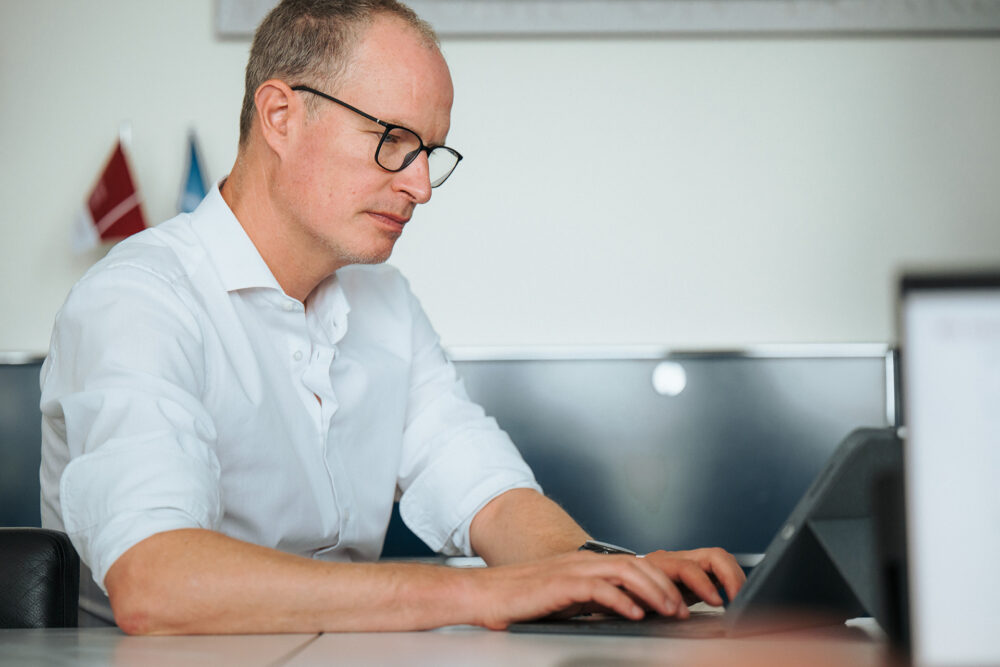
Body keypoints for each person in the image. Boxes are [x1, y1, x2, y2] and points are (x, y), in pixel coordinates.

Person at [40, 0, 745, 635]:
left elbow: (491, 496)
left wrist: (601, 571)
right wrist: (477, 593)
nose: (418, 186)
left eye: (429, 153)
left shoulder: (388, 303)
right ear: (280, 115)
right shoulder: (138, 297)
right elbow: (155, 583)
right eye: (393, 140)